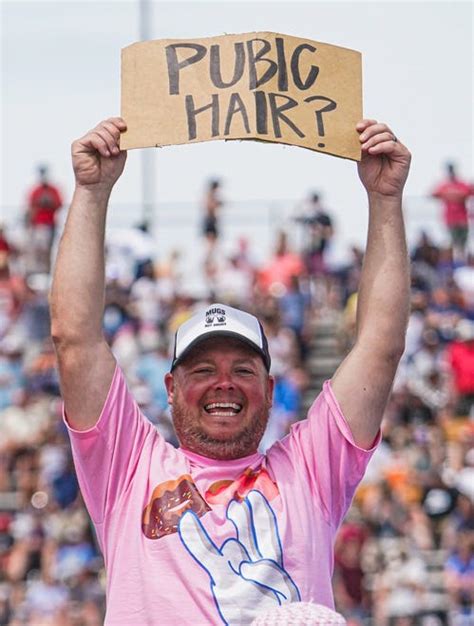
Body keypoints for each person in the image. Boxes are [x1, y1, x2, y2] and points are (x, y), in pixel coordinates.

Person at [50, 116, 411, 625]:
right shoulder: (128, 468)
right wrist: (91, 191)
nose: (224, 382)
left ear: (268, 388)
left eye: (242, 368)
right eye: (203, 369)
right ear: (171, 388)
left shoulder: (309, 471)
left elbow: (379, 345)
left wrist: (386, 200)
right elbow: (74, 338)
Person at [431, 162, 473, 260]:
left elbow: (469, 191)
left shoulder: (462, 184)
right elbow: (434, 194)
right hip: (451, 219)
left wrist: (456, 195)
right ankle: (455, 260)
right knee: (454, 242)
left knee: (463, 242)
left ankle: (462, 259)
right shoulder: (444, 185)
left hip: (463, 219)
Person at [26, 164, 63, 273]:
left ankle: (47, 272)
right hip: (38, 226)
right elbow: (30, 208)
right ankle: (39, 272)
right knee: (39, 250)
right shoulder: (35, 190)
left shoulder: (53, 190)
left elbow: (59, 204)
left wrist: (50, 202)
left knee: (49, 250)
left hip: (50, 225)